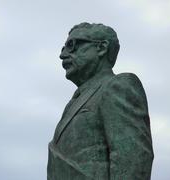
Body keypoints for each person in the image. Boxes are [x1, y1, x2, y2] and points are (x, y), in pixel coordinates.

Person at [47, 22, 154, 180]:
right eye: (64, 48)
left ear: (101, 48)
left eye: (72, 45)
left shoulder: (118, 86)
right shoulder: (73, 103)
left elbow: (133, 157)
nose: (62, 55)